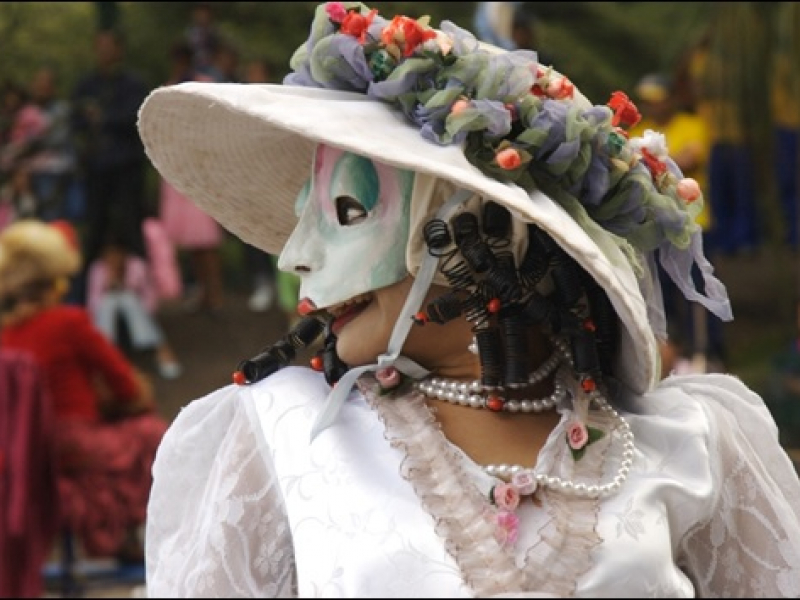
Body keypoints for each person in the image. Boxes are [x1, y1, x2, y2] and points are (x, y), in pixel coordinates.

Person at [137, 3, 800, 597]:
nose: (294, 255)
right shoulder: (280, 435)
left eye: (346, 210)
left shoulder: (684, 442)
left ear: (488, 234)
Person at [0, 218, 168, 563]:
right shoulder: (69, 323)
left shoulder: (6, 338)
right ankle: (135, 534)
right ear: (57, 282)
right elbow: (126, 386)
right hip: (74, 442)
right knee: (155, 435)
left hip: (23, 453)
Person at [629, 72, 724, 373]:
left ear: (673, 99)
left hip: (693, 223)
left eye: (659, 100)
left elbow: (688, 159)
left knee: (699, 292)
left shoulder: (693, 125)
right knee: (664, 293)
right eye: (648, 102)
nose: (654, 107)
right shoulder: (641, 130)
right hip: (656, 226)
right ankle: (673, 355)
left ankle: (708, 354)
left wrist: (647, 164)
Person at [71, 28, 150, 299]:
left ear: (119, 49)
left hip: (126, 170)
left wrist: (102, 118)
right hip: (96, 171)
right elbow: (76, 121)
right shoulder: (86, 84)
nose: (104, 52)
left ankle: (143, 297)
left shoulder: (132, 84)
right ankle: (86, 298)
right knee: (94, 231)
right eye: (99, 46)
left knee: (131, 229)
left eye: (109, 46)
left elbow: (138, 118)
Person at [158, 40, 226, 314]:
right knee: (192, 242)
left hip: (201, 166)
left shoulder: (205, 85)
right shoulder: (168, 88)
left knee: (206, 240)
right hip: (178, 168)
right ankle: (204, 293)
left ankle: (216, 294)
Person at [87, 231, 183, 380]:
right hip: (107, 310)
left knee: (128, 299)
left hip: (136, 310)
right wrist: (110, 284)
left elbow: (149, 297)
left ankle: (159, 349)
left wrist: (125, 287)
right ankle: (108, 352)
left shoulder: (137, 265)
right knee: (110, 301)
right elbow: (92, 302)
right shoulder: (98, 269)